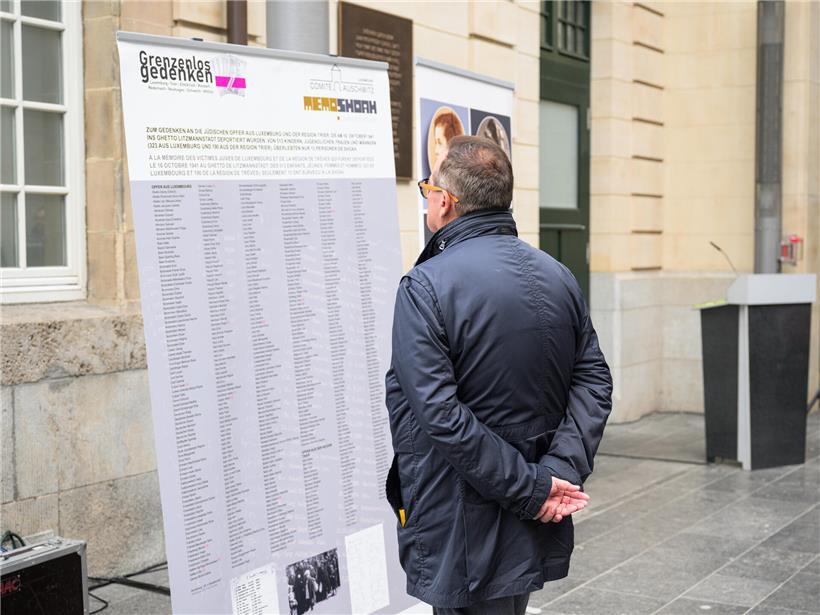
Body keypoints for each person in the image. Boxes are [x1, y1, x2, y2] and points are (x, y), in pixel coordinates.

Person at [385, 135, 612, 615]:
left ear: (445, 201)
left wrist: (535, 488)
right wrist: (556, 474)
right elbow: (594, 382)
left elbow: (440, 416)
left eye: (428, 188)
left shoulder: (424, 285)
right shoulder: (558, 275)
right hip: (524, 510)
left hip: (462, 514)